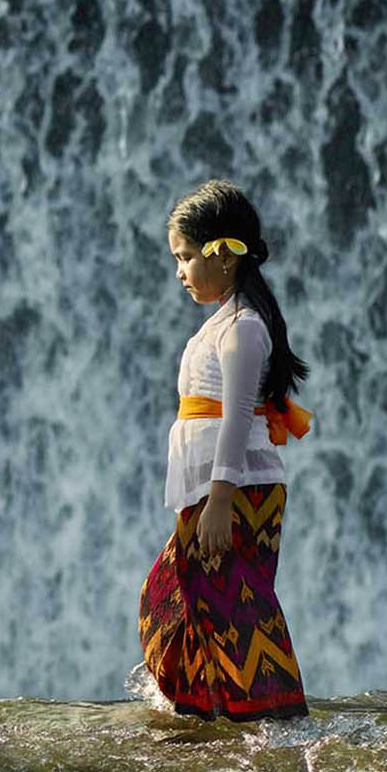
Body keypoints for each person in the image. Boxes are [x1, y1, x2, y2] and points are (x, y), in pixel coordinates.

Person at [138, 179, 313, 721]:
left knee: (237, 603)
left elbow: (237, 417)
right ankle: (211, 703)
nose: (180, 271)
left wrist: (219, 499)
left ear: (224, 256)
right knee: (184, 597)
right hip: (220, 489)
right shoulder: (223, 325)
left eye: (187, 257)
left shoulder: (243, 329)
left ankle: (269, 712)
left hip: (237, 492)